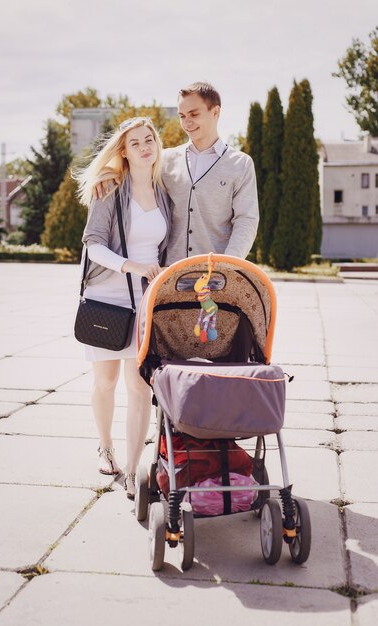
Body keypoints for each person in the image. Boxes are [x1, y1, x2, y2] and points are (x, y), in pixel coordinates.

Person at [75, 118, 170, 499]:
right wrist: (127, 265)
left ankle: (132, 470)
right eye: (136, 142)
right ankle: (106, 446)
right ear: (124, 151)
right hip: (107, 300)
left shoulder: (164, 191)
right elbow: (92, 243)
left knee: (140, 386)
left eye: (150, 140)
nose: (145, 146)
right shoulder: (110, 188)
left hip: (146, 300)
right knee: (106, 382)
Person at [95, 82, 259, 262]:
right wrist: (106, 176)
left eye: (194, 114)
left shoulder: (241, 164)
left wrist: (226, 265)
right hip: (170, 274)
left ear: (215, 112)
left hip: (215, 276)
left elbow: (246, 221)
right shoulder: (164, 160)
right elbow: (131, 171)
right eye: (182, 116)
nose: (187, 123)